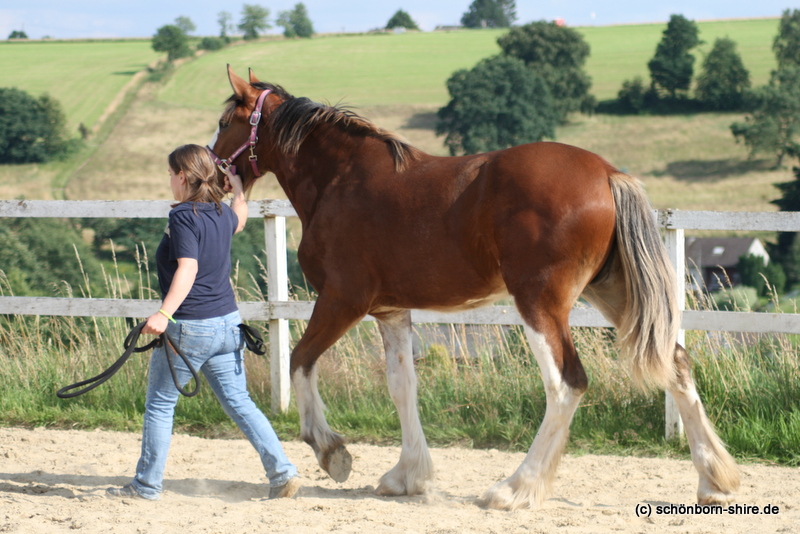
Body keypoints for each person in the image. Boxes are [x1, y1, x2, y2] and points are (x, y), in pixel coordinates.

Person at [107, 144, 300, 501]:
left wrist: (163, 314)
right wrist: (239, 188)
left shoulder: (183, 216)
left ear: (182, 176)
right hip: (227, 324)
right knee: (240, 402)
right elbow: (240, 217)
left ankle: (146, 486)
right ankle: (283, 471)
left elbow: (188, 268)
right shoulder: (220, 214)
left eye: (170, 175)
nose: (169, 182)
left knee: (161, 405)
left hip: (191, 326)